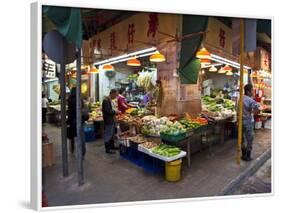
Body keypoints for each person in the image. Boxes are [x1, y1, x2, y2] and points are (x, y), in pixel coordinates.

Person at [67, 87, 89, 158]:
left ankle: (72, 149)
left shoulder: (69, 100)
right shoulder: (79, 100)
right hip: (79, 120)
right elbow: (82, 110)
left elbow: (70, 112)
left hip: (72, 121)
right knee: (81, 137)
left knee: (73, 137)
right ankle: (82, 153)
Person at [240, 84, 260, 161]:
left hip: (240, 121)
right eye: (252, 90)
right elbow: (257, 109)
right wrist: (253, 112)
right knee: (249, 138)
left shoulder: (240, 98)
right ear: (248, 91)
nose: (253, 92)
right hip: (248, 121)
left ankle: (243, 154)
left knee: (242, 139)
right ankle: (248, 155)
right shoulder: (250, 100)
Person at [102, 89, 121, 154]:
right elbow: (108, 111)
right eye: (115, 95)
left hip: (111, 119)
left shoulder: (109, 100)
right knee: (108, 134)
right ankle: (107, 149)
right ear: (112, 93)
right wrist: (116, 112)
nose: (116, 96)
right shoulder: (106, 101)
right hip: (108, 120)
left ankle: (112, 146)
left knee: (112, 133)